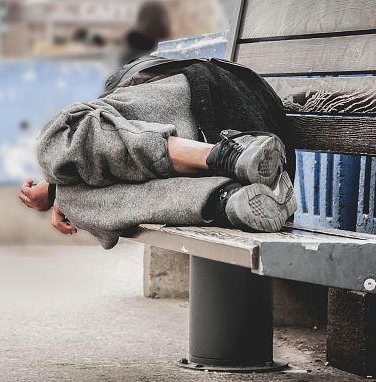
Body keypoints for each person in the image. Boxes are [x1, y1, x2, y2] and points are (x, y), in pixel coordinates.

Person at [20, 58, 298, 249]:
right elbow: (98, 155)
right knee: (69, 192)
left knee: (57, 138)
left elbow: (80, 141)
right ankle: (229, 194)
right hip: (239, 145)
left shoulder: (127, 88)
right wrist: (59, 191)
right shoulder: (120, 102)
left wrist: (57, 186)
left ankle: (226, 158)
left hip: (222, 101)